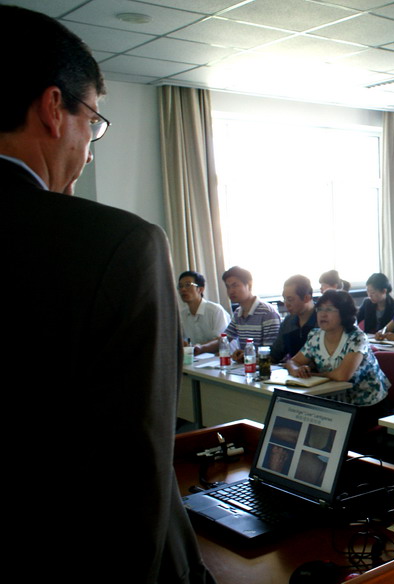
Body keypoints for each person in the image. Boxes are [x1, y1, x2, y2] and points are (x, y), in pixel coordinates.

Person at [3, 6, 213, 581]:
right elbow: (133, 476)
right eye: (92, 123)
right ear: (53, 109)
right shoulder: (115, 245)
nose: (90, 148)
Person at [286, 290, 389, 431]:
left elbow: (342, 376)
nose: (322, 314)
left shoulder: (357, 337)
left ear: (344, 313)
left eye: (329, 309)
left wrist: (312, 375)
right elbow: (293, 361)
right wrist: (297, 370)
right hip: (333, 403)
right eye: (320, 309)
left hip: (365, 405)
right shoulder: (316, 336)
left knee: (318, 428)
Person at [195, 266, 281, 360]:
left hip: (265, 369)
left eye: (235, 285)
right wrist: (201, 348)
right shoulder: (238, 313)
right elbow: (224, 339)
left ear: (249, 284)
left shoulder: (268, 313)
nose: (231, 291)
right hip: (245, 367)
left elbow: (271, 353)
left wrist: (247, 355)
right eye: (228, 287)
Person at [177, 270, 231, 353]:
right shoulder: (182, 315)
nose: (183, 289)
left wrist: (199, 348)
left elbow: (221, 341)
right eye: (180, 286)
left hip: (222, 357)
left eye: (188, 285)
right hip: (198, 359)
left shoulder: (215, 310)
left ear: (200, 289)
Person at [270, 275, 317, 363]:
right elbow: (275, 355)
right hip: (296, 373)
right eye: (284, 299)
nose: (286, 304)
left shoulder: (323, 319)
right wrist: (250, 357)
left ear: (306, 298)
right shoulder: (288, 322)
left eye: (290, 299)